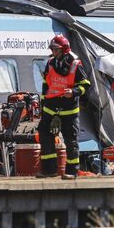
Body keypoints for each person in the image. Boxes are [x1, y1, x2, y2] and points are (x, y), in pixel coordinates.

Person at [37, 35, 91, 180]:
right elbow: (46, 83)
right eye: (52, 49)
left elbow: (86, 85)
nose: (53, 52)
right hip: (50, 108)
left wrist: (73, 92)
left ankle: (72, 172)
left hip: (69, 110)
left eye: (56, 49)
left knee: (71, 141)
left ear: (64, 50)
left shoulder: (75, 64)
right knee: (44, 134)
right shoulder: (50, 63)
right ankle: (49, 170)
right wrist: (43, 102)